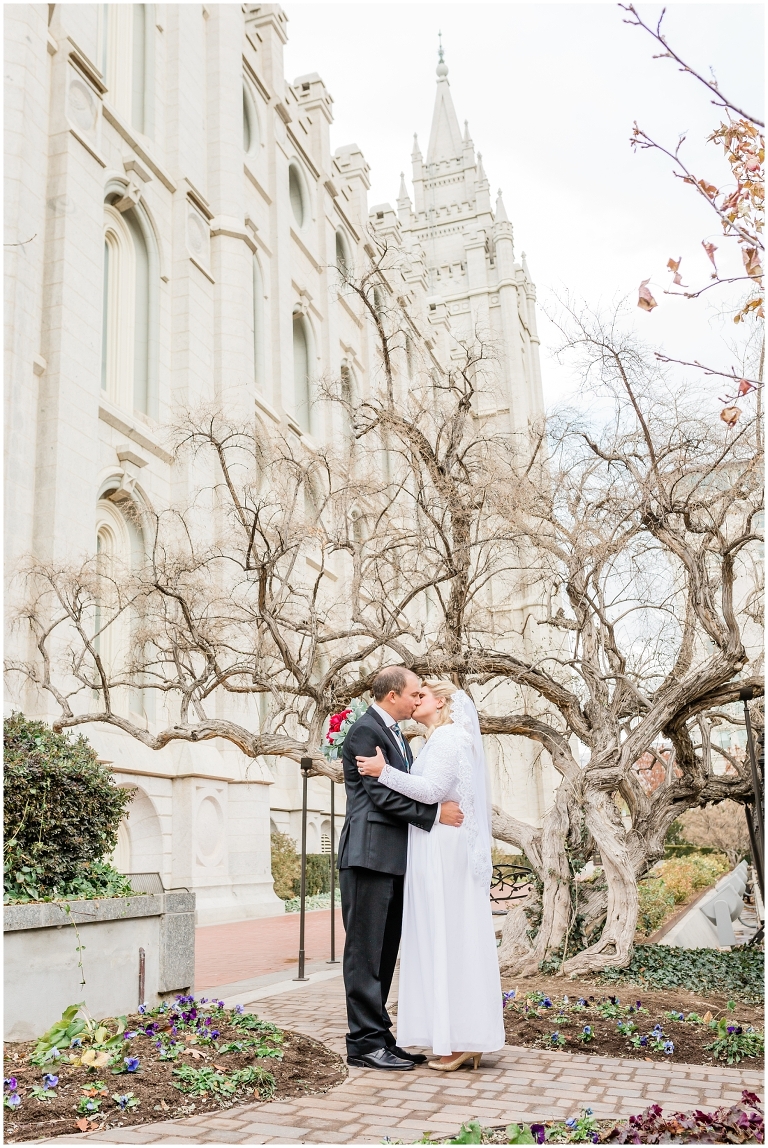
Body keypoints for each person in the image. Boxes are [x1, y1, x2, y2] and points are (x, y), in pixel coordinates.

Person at [356, 680, 505, 1070]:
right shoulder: (437, 739)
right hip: (433, 843)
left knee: (445, 935)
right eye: (413, 693)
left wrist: (382, 771)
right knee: (440, 936)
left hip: (442, 849)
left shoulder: (448, 738)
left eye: (421, 695)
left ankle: (458, 1038)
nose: (414, 700)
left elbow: (431, 789)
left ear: (442, 702)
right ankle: (453, 1035)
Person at [337, 666, 465, 1071]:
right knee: (364, 954)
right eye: (413, 693)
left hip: (392, 859)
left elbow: (398, 784)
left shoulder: (396, 735)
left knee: (383, 953)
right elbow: (379, 796)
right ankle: (362, 1045)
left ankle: (381, 1039)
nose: (417, 698)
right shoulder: (365, 731)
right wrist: (433, 815)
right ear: (393, 695)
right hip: (368, 855)